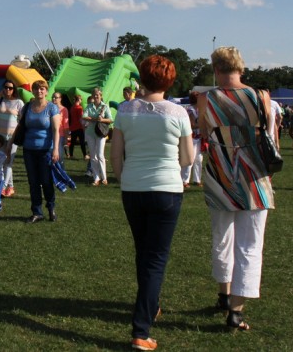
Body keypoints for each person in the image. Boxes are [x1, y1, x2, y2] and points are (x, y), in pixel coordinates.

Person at [111, 55, 193, 351]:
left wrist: (123, 178)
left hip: (133, 188)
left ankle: (150, 304)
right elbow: (188, 158)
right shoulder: (178, 112)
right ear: (169, 81)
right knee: (155, 258)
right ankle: (141, 330)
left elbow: (116, 154)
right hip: (166, 189)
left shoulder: (125, 109)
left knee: (144, 252)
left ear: (142, 78)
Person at [197, 46, 276, 332]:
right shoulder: (261, 97)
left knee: (222, 239)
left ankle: (224, 293)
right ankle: (236, 310)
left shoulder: (206, 99)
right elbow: (270, 137)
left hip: (220, 174)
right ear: (241, 68)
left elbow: (205, 134)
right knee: (251, 245)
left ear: (216, 69)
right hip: (255, 176)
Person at [7, 79, 61, 223]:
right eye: (36, 89)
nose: (39, 91)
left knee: (46, 181)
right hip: (29, 149)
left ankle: (51, 208)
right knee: (33, 182)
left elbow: (56, 130)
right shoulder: (27, 107)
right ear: (33, 91)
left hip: (46, 150)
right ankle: (37, 212)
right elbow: (19, 127)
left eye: (42, 89)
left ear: (46, 91)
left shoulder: (52, 108)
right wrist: (10, 143)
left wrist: (56, 149)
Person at [0, 80, 24, 197]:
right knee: (3, 161)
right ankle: (10, 187)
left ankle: (3, 187)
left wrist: (17, 135)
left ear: (14, 90)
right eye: (6, 87)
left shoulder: (18, 102)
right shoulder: (1, 100)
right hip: (0, 137)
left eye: (10, 88)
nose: (8, 90)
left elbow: (22, 120)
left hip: (12, 137)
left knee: (8, 162)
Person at [83, 87, 112, 186]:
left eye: (97, 95)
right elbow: (84, 116)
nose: (96, 97)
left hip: (100, 133)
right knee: (93, 156)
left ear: (101, 96)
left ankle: (104, 178)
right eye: (94, 95)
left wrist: (102, 120)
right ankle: (96, 178)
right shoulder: (89, 106)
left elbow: (110, 120)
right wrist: (95, 119)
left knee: (100, 155)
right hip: (90, 133)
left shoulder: (105, 106)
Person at [180, 91, 203, 188]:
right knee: (190, 159)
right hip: (191, 137)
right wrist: (203, 125)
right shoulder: (190, 110)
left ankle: (197, 180)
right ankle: (184, 180)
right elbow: (192, 125)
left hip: (199, 137)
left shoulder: (199, 109)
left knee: (199, 159)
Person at [52, 92, 70, 164]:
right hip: (50, 134)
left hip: (60, 135)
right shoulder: (50, 107)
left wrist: (66, 138)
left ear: (60, 99)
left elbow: (65, 124)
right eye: (53, 97)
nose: (53, 99)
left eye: (56, 97)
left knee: (59, 155)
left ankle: (61, 172)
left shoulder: (64, 109)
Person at [68, 94, 87, 159]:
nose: (81, 100)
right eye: (81, 99)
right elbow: (81, 118)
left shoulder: (72, 107)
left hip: (73, 127)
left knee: (72, 142)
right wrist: (84, 127)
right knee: (82, 142)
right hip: (79, 127)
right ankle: (85, 155)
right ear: (79, 100)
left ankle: (71, 155)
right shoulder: (79, 108)